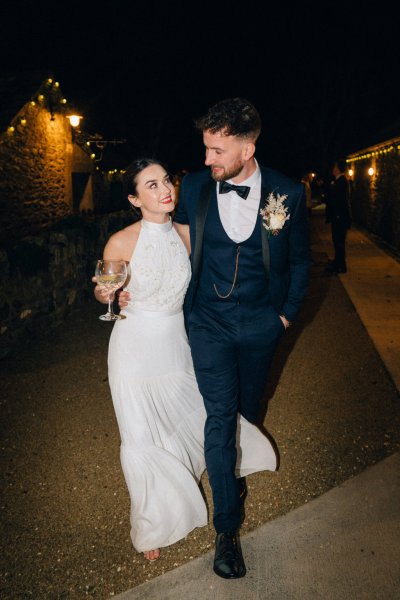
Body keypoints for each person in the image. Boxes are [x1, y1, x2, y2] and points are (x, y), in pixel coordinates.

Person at [94, 158, 277, 564]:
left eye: (166, 181)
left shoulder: (188, 235)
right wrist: (111, 295)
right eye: (152, 185)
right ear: (134, 198)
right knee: (139, 434)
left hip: (177, 343)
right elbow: (103, 290)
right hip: (133, 348)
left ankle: (198, 473)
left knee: (189, 415)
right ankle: (151, 523)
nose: (165, 190)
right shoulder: (121, 241)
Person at [172, 97, 311, 579]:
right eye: (206, 148)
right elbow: (170, 244)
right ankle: (227, 530)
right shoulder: (192, 187)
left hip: (260, 325)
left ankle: (235, 470)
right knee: (218, 417)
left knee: (248, 410)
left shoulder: (287, 193)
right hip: (208, 323)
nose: (208, 159)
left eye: (217, 150)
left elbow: (299, 263)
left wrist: (286, 317)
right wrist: (127, 286)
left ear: (248, 148)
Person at [325, 159, 352, 274]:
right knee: (337, 241)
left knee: (339, 241)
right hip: (338, 217)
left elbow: (340, 201)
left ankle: (341, 266)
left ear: (338, 169)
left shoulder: (341, 182)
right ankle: (338, 262)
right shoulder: (339, 181)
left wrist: (337, 216)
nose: (333, 169)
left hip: (339, 217)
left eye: (335, 167)